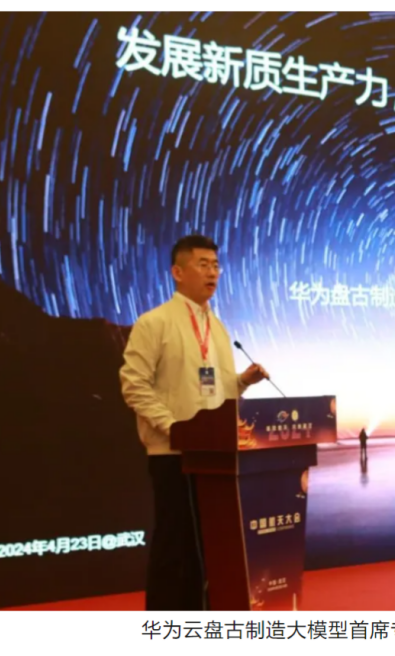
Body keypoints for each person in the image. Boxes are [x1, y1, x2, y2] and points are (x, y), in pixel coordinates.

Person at [119, 234, 269, 611]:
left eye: (216, 265)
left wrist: (242, 382)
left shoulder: (217, 328)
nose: (212, 273)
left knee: (210, 547)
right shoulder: (154, 323)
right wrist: (175, 428)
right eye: (203, 265)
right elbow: (134, 386)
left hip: (215, 456)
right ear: (177, 272)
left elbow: (217, 389)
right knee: (176, 545)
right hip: (173, 454)